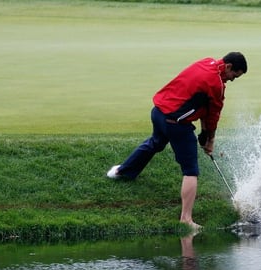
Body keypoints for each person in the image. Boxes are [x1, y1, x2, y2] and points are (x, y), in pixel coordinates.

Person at [106, 52, 247, 229]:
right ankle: (186, 219)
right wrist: (209, 140)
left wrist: (204, 136)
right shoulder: (216, 84)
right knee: (191, 170)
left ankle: (122, 171)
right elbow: (213, 115)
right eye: (234, 75)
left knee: (155, 143)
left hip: (158, 112)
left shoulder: (207, 62)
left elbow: (204, 106)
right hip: (175, 123)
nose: (232, 80)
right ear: (228, 67)